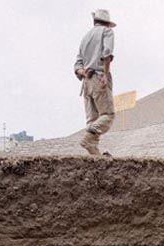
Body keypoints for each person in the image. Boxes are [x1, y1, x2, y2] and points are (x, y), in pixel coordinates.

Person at [74, 9, 116, 156]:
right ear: (107, 23)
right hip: (99, 77)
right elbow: (107, 53)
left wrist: (84, 72)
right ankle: (88, 138)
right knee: (108, 115)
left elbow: (77, 65)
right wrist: (105, 74)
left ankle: (95, 155)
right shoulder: (107, 32)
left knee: (93, 119)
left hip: (86, 81)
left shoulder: (85, 38)